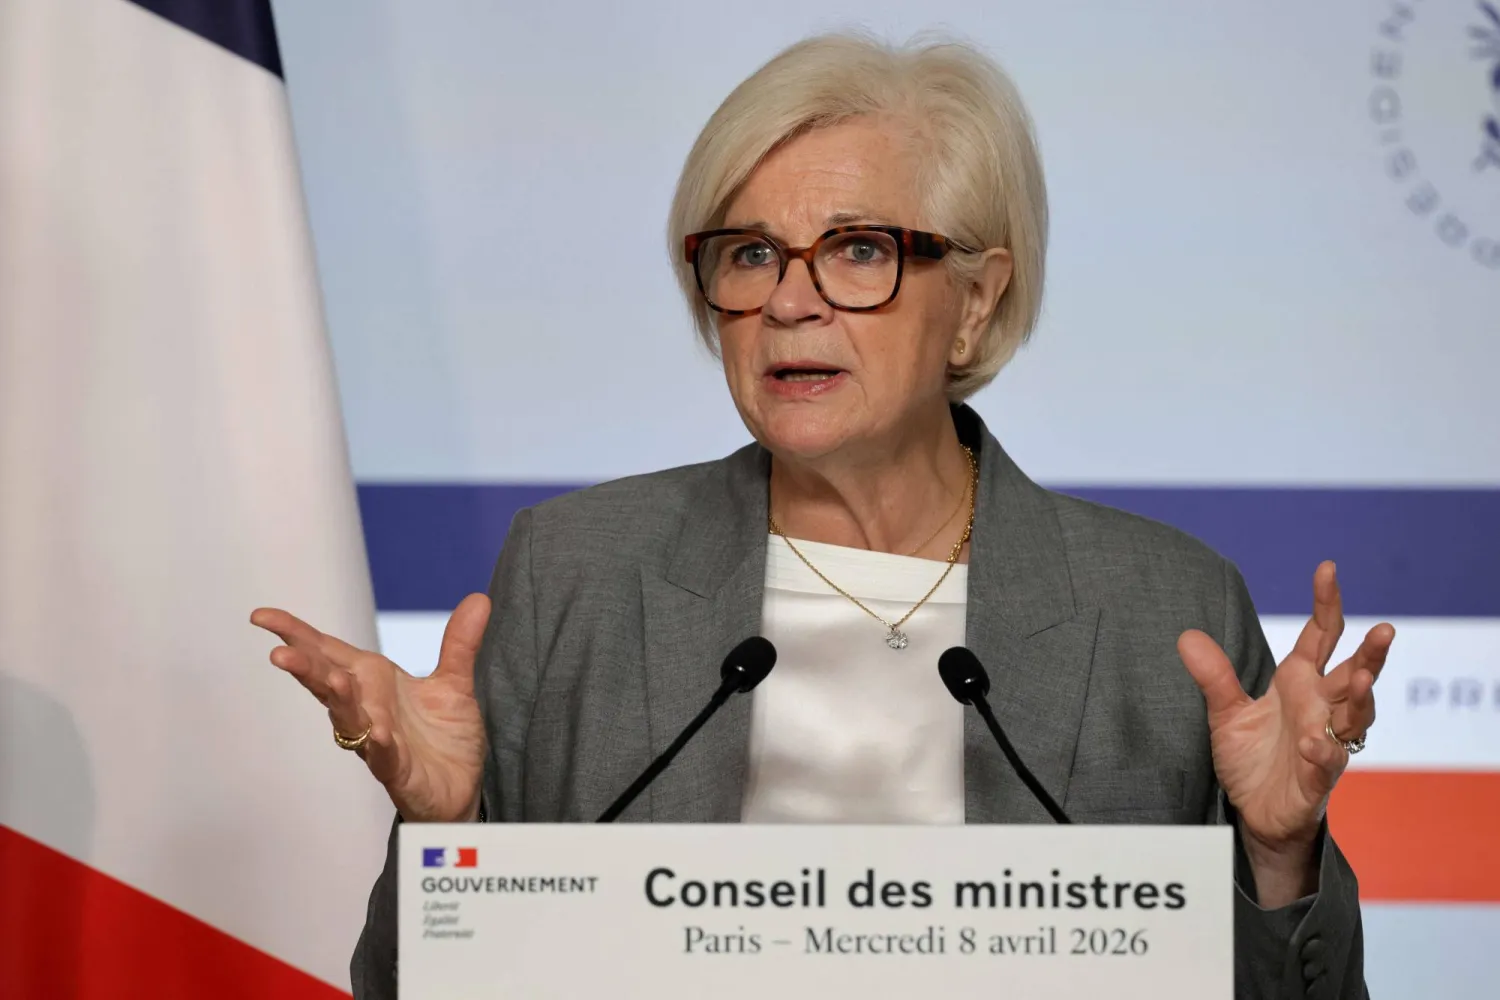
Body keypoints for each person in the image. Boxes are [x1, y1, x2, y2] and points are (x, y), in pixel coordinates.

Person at [252, 32, 1389, 1000]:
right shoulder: (579, 574)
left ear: (976, 299)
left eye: (857, 249)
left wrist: (1280, 856)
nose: (789, 301)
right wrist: (448, 840)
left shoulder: (1164, 609)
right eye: (749, 253)